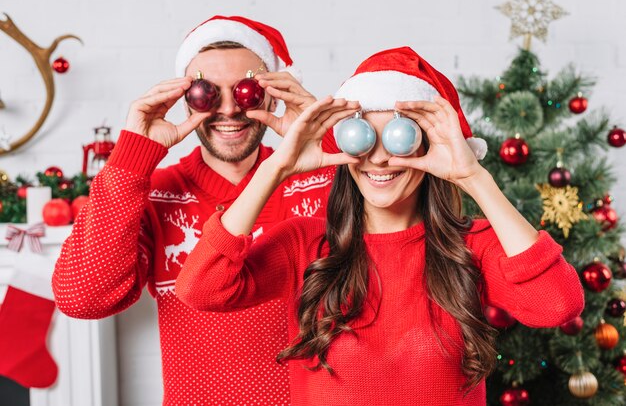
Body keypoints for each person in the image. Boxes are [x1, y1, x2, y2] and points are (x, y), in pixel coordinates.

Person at [175, 47, 585, 406]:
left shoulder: (472, 246)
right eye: (362, 137)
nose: (379, 159)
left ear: (428, 145)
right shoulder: (304, 244)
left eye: (399, 138)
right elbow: (200, 288)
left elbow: (558, 304)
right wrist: (275, 167)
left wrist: (474, 177)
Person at [52, 16, 344, 405]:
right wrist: (131, 157)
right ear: (185, 96)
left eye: (246, 91)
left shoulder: (323, 180)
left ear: (273, 94)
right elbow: (83, 298)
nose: (227, 110)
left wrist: (326, 140)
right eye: (207, 92)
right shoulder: (156, 194)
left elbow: (398, 250)